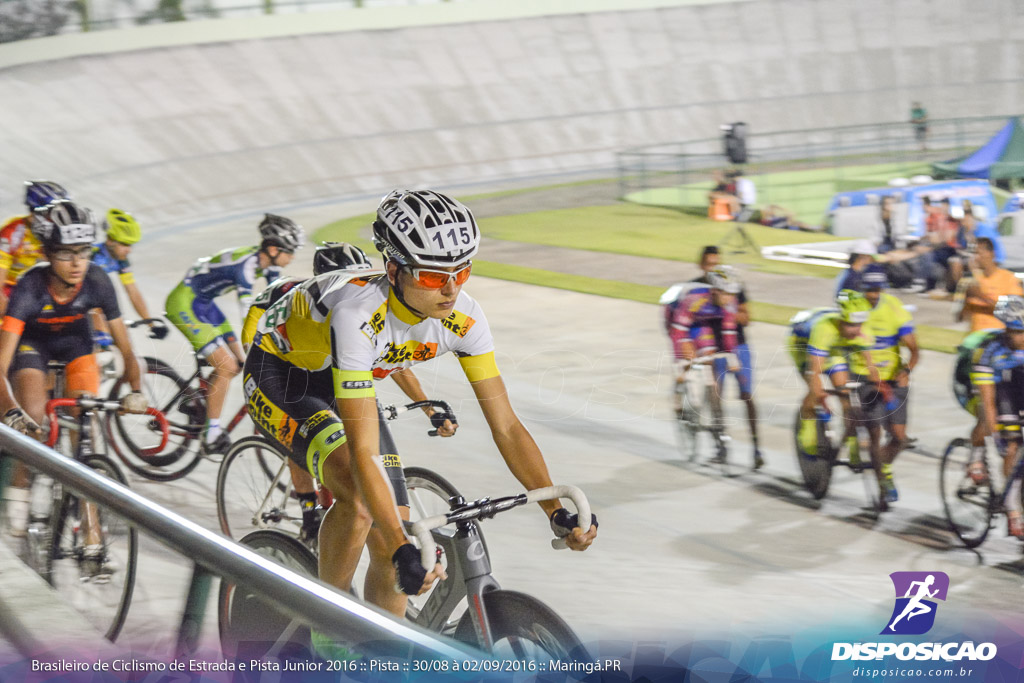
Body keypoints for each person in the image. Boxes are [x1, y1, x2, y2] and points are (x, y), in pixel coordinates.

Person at [244, 189, 597, 618]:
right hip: (282, 374)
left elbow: (505, 426)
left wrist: (554, 509)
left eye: (461, 271)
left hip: (341, 374)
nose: (450, 289)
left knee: (399, 530)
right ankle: (327, 626)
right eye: (432, 276)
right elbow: (362, 452)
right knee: (360, 502)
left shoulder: (464, 319)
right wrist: (397, 548)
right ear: (393, 270)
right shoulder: (356, 315)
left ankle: (383, 653)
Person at [240, 241, 454, 545]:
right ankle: (309, 513)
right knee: (304, 433)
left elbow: (394, 363)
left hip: (326, 368)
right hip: (281, 370)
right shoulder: (290, 294)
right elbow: (252, 344)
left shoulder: (368, 304)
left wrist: (427, 408)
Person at [0, 200, 147, 549]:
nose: (78, 263)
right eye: (67, 254)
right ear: (49, 254)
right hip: (32, 345)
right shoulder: (29, 287)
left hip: (74, 345)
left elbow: (126, 350)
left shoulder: (98, 279)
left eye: (83, 251)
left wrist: (135, 388)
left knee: (87, 424)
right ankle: (19, 484)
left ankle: (91, 527)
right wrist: (10, 408)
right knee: (33, 416)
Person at [165, 214, 303, 455]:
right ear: (272, 249)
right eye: (289, 251)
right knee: (226, 367)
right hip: (184, 303)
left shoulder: (267, 263)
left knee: (238, 363)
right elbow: (248, 315)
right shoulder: (246, 268)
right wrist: (262, 351)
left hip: (204, 303)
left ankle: (201, 402)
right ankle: (212, 434)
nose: (292, 257)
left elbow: (278, 302)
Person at [791, 290, 894, 498]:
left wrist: (879, 384)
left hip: (835, 348)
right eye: (850, 325)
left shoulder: (862, 330)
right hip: (803, 344)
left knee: (846, 390)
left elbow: (870, 367)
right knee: (814, 389)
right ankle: (808, 430)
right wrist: (819, 394)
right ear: (841, 319)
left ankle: (854, 441)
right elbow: (815, 372)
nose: (856, 330)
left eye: (858, 325)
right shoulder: (824, 329)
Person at [953, 296, 1024, 536]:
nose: (1021, 338)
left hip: (1009, 384)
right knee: (992, 422)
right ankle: (976, 457)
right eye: (1017, 332)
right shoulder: (988, 351)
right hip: (971, 383)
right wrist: (999, 436)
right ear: (1006, 330)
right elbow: (988, 400)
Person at [689, 247, 763, 467]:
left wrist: (729, 308)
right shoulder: (695, 288)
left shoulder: (732, 285)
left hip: (737, 346)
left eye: (717, 263)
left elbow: (747, 318)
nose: (714, 267)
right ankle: (721, 447)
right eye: (710, 264)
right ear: (702, 265)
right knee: (715, 397)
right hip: (712, 348)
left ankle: (756, 448)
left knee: (747, 395)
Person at [861, 266, 919, 502]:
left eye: (877, 290)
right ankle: (883, 481)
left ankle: (883, 467)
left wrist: (906, 370)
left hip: (892, 378)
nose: (873, 295)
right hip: (864, 376)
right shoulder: (855, 306)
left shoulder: (894, 309)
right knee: (874, 433)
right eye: (869, 290)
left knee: (899, 437)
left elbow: (914, 349)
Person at [90, 209, 168, 351]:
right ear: (110, 240)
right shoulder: (93, 256)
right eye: (125, 244)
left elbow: (133, 291)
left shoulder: (121, 261)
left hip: (98, 308)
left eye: (130, 245)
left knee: (125, 348)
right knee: (104, 343)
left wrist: (149, 323)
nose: (129, 250)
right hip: (84, 306)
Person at [0, 181, 70, 314]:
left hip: (35, 292)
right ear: (35, 214)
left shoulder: (60, 234)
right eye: (53, 214)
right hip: (8, 290)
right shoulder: (11, 235)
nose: (58, 219)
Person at [958, 238, 1024, 332]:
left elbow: (1014, 313)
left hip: (998, 337)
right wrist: (966, 298)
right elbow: (961, 318)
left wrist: (981, 296)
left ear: (991, 254)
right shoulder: (974, 280)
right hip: (975, 336)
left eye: (978, 253)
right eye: (973, 254)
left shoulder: (1009, 279)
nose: (975, 258)